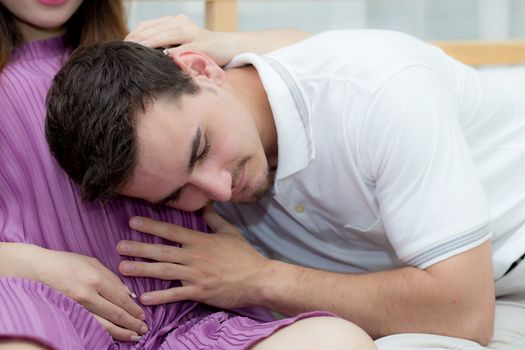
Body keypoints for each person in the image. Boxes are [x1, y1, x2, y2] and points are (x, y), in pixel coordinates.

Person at [45, 17, 525, 350]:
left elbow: (465, 315)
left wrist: (260, 279)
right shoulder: (203, 143)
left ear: (201, 69)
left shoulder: (382, 93)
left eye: (202, 148)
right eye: (176, 194)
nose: (217, 189)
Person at [0, 2, 377, 349]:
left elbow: (320, 60)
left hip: (189, 315)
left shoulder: (143, 52)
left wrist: (229, 42)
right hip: (43, 304)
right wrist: (34, 266)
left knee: (337, 340)